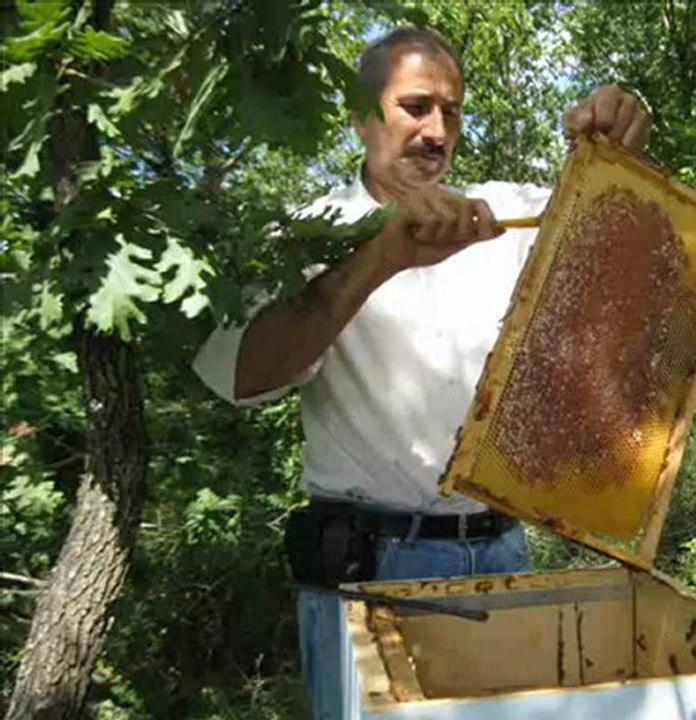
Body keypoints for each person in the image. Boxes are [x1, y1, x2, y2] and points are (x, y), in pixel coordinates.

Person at [192, 25, 651, 720]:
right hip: (372, 569)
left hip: (503, 554)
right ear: (360, 117)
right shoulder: (304, 232)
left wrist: (620, 128)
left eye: (452, 112)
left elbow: (606, 215)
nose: (438, 131)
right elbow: (243, 375)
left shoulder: (501, 215)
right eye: (415, 106)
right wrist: (381, 258)